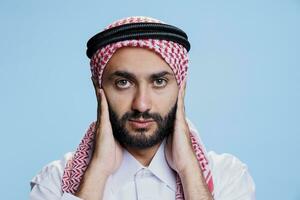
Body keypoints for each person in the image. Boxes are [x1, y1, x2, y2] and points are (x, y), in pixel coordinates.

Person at [29, 16, 255, 200]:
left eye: (159, 82)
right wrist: (97, 172)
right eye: (123, 83)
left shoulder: (228, 176)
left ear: (181, 89)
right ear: (98, 88)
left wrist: (189, 171)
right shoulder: (55, 182)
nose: (141, 104)